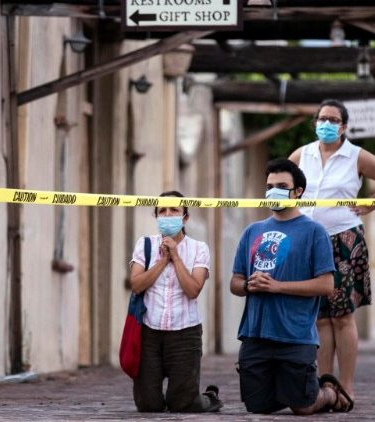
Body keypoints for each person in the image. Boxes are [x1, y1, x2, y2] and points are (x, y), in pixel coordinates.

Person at [289, 99, 375, 403]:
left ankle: (348, 386)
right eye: (321, 118)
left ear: (343, 126)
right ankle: (327, 386)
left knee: (342, 316)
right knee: (321, 317)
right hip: (309, 240)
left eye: (332, 119)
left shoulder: (356, 156)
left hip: (344, 239)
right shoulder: (302, 154)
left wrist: (370, 204)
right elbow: (284, 185)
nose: (325, 123)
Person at [230, 158, 353, 414]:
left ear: (298, 192)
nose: (274, 191)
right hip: (255, 334)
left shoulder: (314, 232)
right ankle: (291, 387)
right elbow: (235, 282)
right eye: (270, 185)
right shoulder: (252, 231)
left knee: (303, 408)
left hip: (295, 334)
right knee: (257, 407)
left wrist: (277, 286)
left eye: (281, 185)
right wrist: (249, 286)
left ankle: (328, 393)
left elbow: (327, 285)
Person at [128, 191, 223, 413]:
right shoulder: (145, 245)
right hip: (149, 331)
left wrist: (176, 257)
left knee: (184, 404)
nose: (168, 215)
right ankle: (165, 393)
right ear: (156, 216)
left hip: (185, 332)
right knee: (148, 404)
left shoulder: (199, 248)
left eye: (174, 210)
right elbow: (137, 284)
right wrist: (163, 261)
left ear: (185, 217)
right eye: (163, 211)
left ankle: (209, 398)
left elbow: (193, 290)